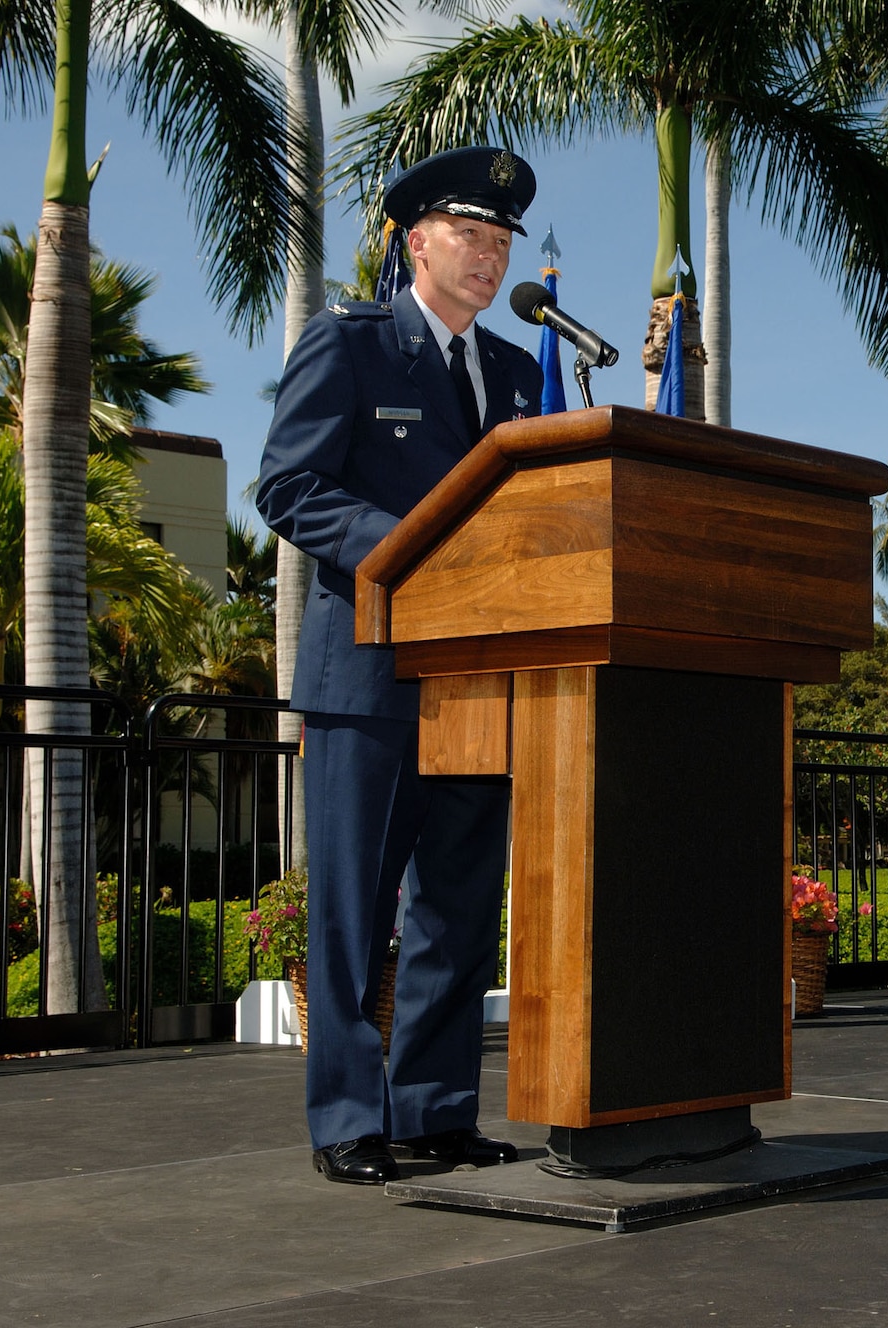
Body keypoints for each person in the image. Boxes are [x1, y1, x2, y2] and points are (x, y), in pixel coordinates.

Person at [256, 145, 546, 1184]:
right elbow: (290, 487)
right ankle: (346, 1120)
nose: (490, 254)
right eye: (472, 233)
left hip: (477, 683)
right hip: (372, 680)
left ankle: (431, 1110)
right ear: (414, 239)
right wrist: (414, 546)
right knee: (352, 913)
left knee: (457, 910)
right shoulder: (350, 345)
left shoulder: (518, 372)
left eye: (503, 239)